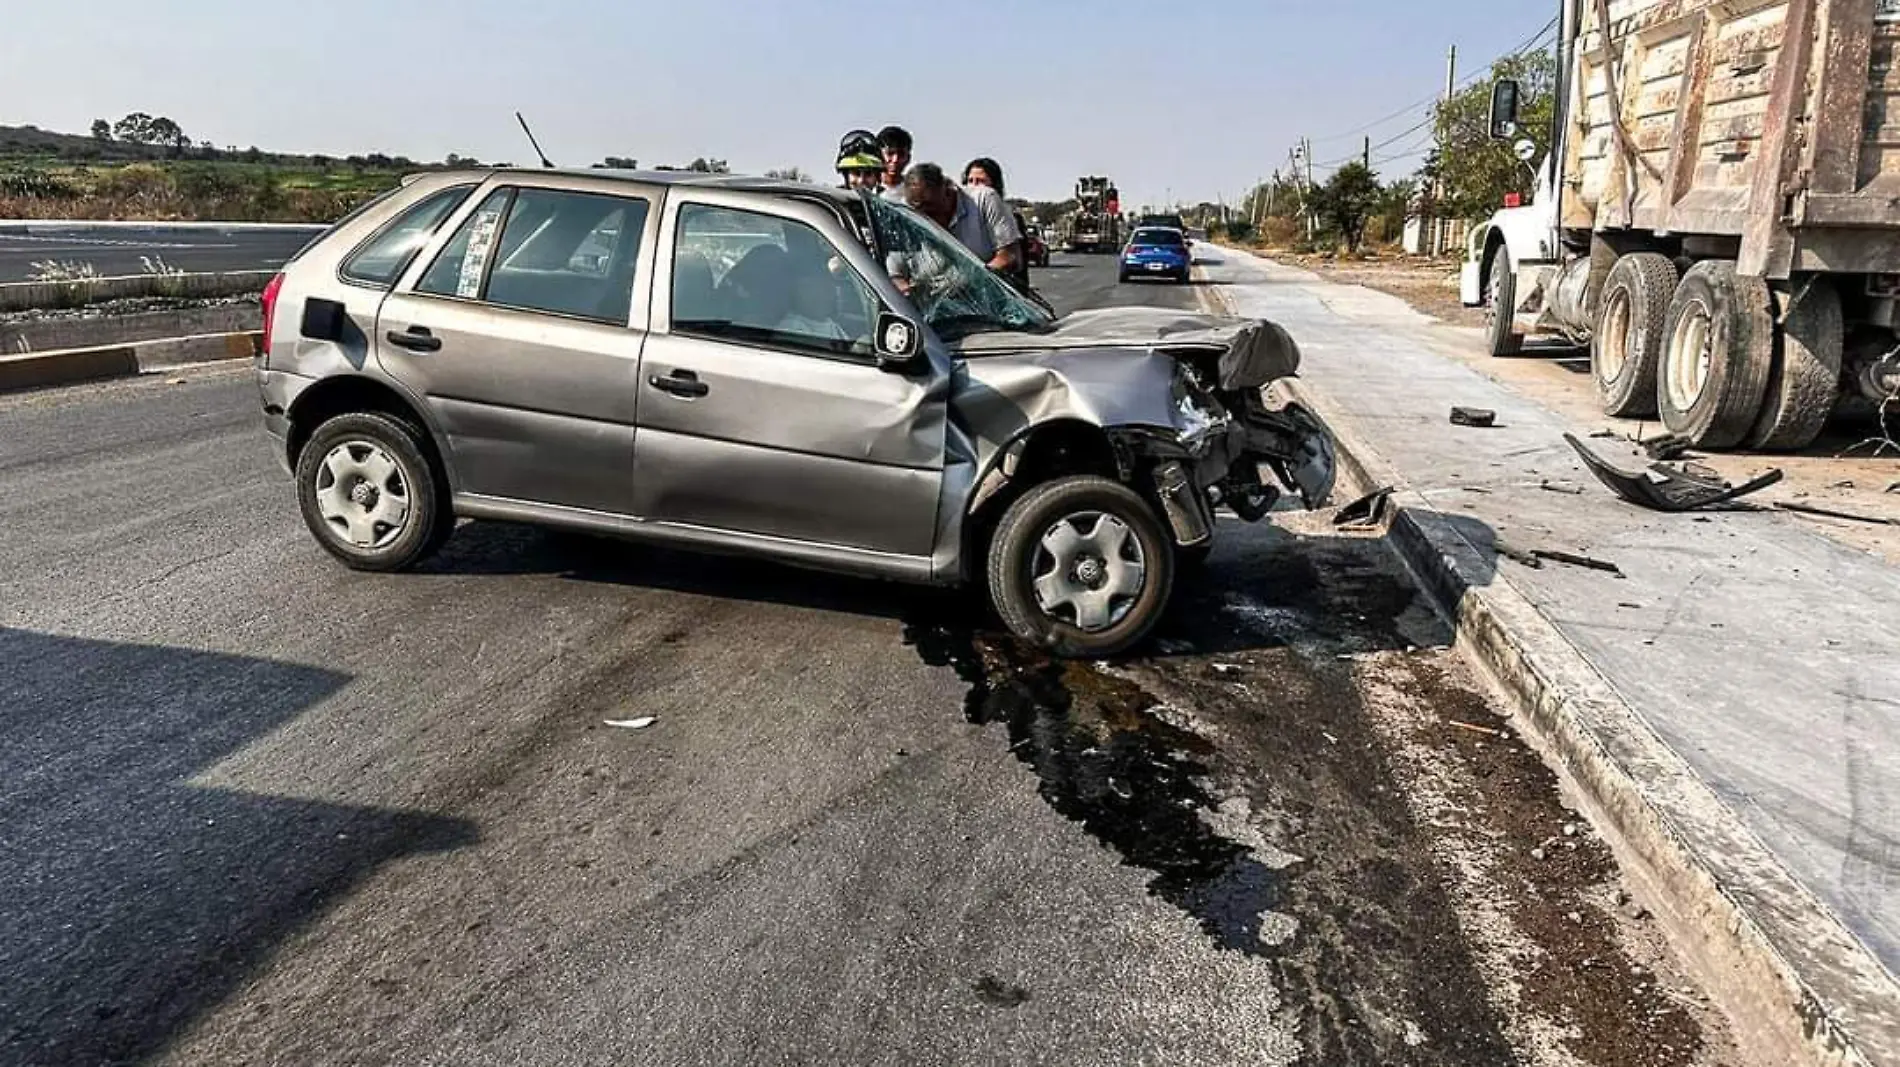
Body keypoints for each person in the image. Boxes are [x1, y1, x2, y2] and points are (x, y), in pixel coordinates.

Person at [904, 162, 1022, 276]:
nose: (932, 221)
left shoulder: (984, 200)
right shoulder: (909, 215)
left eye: (934, 212)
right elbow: (898, 270)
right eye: (924, 216)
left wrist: (976, 278)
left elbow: (1009, 256)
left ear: (947, 191)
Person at [963, 157, 1032, 289]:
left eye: (981, 181)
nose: (974, 186)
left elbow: (1015, 263)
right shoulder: (962, 217)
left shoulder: (1010, 217)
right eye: (970, 181)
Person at [876, 126, 912, 203]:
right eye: (890, 153)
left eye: (901, 154)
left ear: (908, 158)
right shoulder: (868, 187)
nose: (895, 160)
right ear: (878, 155)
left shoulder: (914, 190)